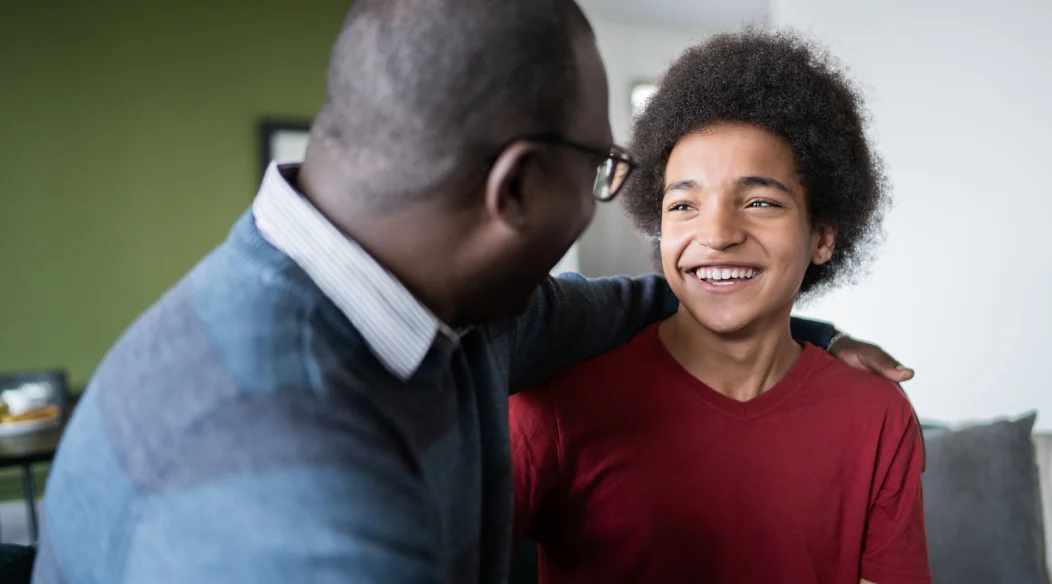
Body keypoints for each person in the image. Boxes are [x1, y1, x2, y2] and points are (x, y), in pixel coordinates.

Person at [34, 3, 910, 584]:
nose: (707, 225)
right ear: (518, 188)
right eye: (605, 169)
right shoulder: (289, 485)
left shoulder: (460, 317)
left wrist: (814, 333)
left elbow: (658, 299)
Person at [510, 29, 931, 584]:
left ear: (823, 235)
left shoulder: (879, 417)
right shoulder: (555, 408)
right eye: (683, 204)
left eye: (759, 202)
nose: (717, 233)